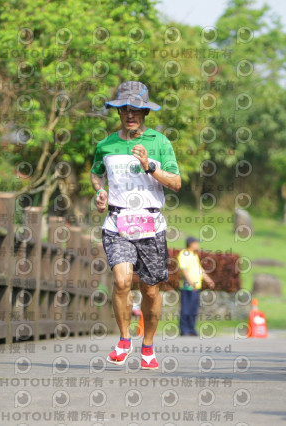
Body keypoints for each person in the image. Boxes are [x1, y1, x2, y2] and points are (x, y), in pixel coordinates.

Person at [90, 81, 181, 370]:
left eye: (136, 110)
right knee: (121, 281)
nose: (130, 115)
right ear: (118, 112)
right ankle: (125, 339)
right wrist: (99, 191)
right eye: (125, 110)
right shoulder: (105, 144)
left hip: (151, 223)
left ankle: (149, 345)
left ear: (145, 113)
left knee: (151, 291)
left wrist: (149, 166)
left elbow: (176, 183)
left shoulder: (160, 142)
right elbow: (95, 173)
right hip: (117, 222)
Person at [178, 236, 215, 336]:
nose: (198, 245)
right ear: (191, 244)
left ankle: (191, 328)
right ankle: (184, 329)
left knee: (193, 308)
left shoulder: (194, 255)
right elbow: (184, 270)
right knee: (186, 308)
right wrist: (191, 282)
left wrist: (208, 280)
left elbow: (200, 270)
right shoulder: (184, 254)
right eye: (196, 243)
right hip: (187, 286)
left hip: (196, 286)